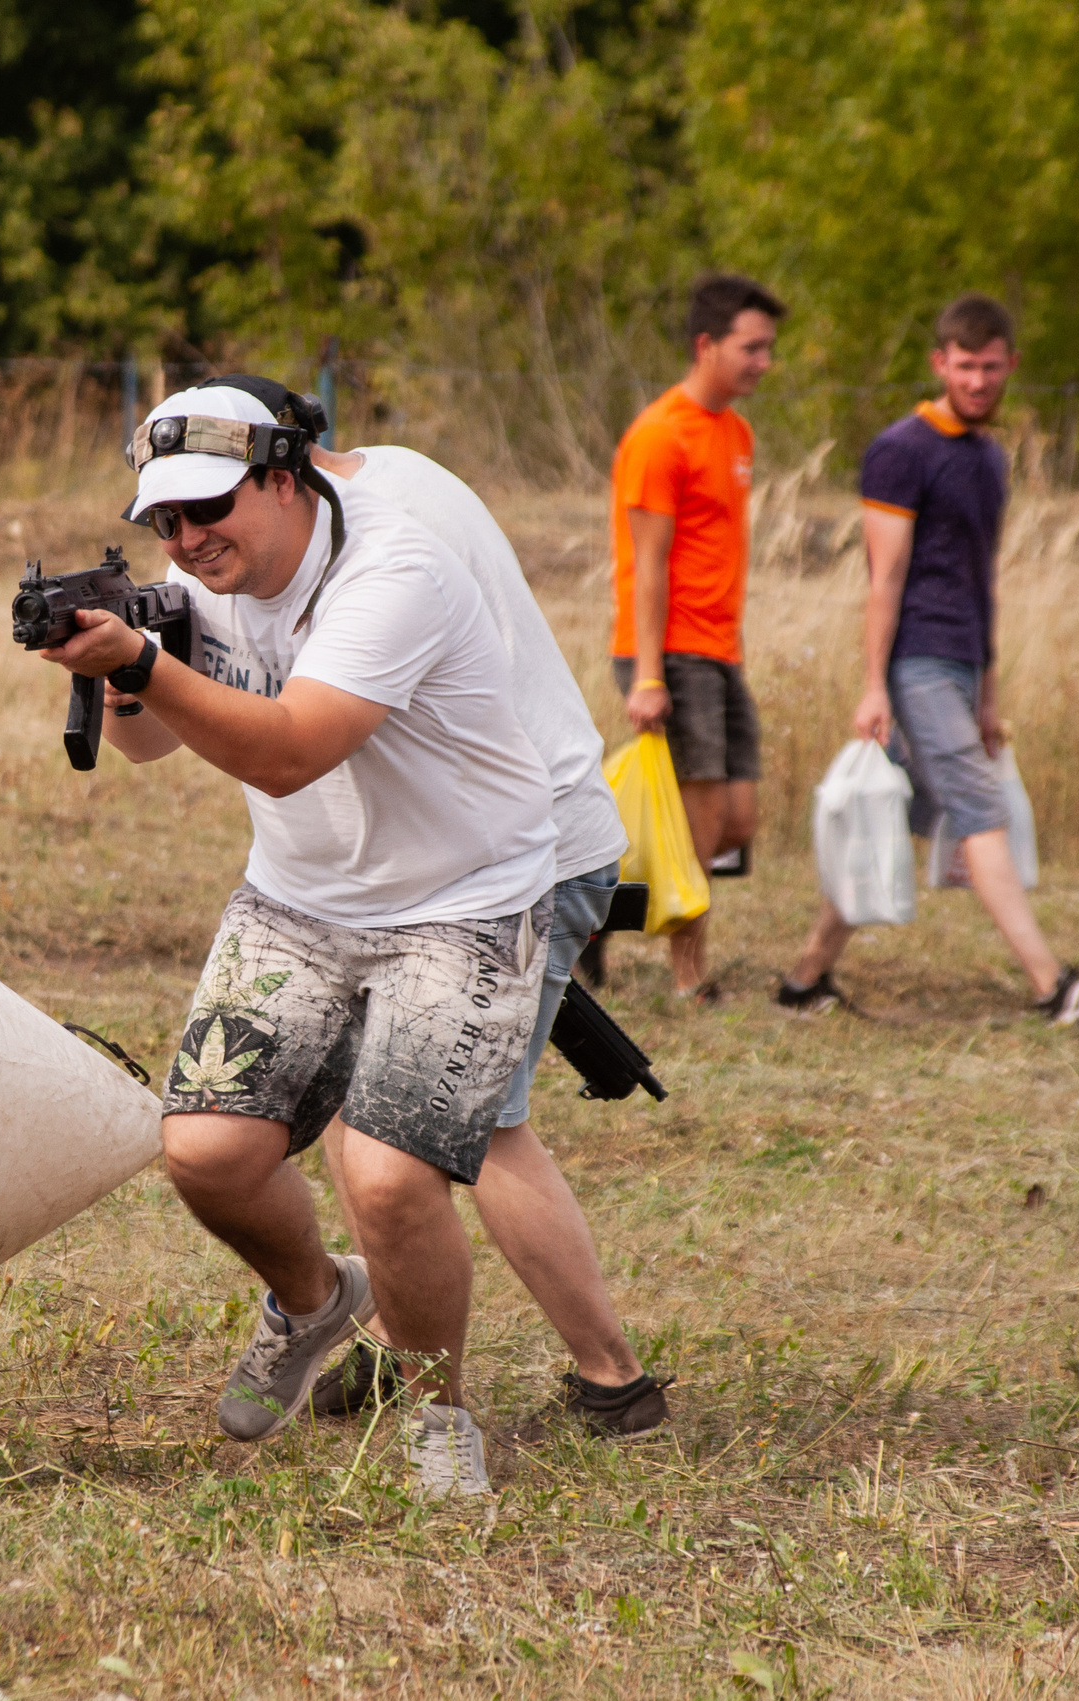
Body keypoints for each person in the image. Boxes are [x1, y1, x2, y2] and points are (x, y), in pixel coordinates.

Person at [40, 384, 562, 1497]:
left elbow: (290, 752)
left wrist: (136, 663)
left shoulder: (393, 571)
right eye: (164, 523)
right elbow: (143, 752)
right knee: (205, 1156)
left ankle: (439, 1416)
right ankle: (317, 1303)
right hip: (299, 899)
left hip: (462, 900)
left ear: (287, 476)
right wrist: (121, 674)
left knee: (386, 1178)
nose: (187, 540)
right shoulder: (194, 582)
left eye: (210, 508)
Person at [273, 412, 666, 1438]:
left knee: (468, 1128)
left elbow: (317, 725)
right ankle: (399, 1347)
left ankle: (612, 1380)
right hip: (493, 845)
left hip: (510, 852)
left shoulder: (371, 534)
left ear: (280, 474)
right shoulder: (396, 470)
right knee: (374, 1114)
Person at [778, 295, 1079, 1025]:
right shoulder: (900, 451)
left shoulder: (988, 458)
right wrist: (873, 685)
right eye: (965, 366)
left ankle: (803, 981)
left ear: (1011, 366)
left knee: (903, 814)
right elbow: (884, 577)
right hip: (913, 661)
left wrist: (989, 693)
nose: (978, 380)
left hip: (961, 664)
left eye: (991, 366)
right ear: (941, 363)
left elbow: (983, 580)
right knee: (982, 806)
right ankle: (1053, 986)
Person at [596, 274, 783, 1000]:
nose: (765, 361)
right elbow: (646, 566)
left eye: (769, 347)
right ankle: (688, 978)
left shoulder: (736, 432)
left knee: (735, 819)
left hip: (720, 650)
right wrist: (647, 675)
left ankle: (594, 913)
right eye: (752, 347)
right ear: (706, 345)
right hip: (669, 650)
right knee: (701, 821)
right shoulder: (659, 435)